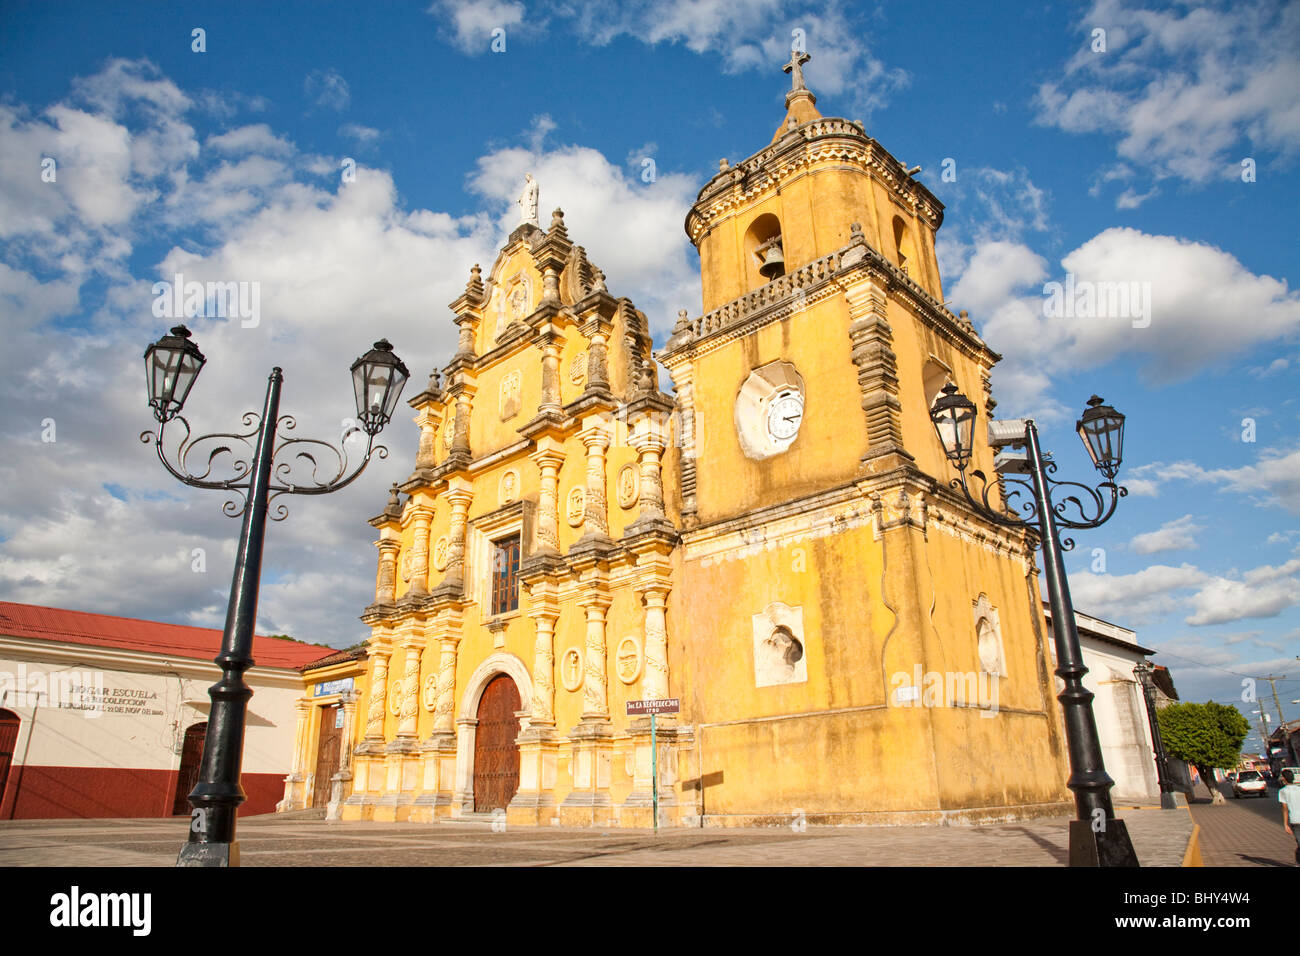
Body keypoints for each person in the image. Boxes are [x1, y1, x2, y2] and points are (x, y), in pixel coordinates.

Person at [1279, 769, 1300, 865]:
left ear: (1284, 778)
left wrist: (1285, 823)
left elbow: (1285, 808)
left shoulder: (1283, 791)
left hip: (1295, 820)